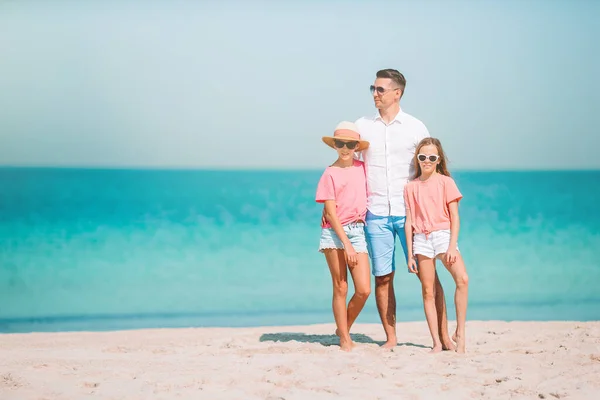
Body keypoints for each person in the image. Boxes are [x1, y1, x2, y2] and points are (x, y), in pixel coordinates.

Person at [353, 69, 454, 350]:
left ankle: (444, 336)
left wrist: (444, 206)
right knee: (383, 277)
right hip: (375, 213)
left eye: (380, 89)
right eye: (372, 88)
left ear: (397, 93)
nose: (375, 93)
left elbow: (432, 166)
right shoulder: (362, 126)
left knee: (428, 277)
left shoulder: (415, 127)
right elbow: (351, 166)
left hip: (413, 215)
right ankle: (391, 338)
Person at [403, 137, 470, 353]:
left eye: (432, 157)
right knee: (427, 291)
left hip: (443, 235)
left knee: (463, 279)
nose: (427, 161)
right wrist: (410, 254)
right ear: (418, 159)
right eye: (423, 157)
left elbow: (455, 217)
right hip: (421, 239)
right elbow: (409, 221)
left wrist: (452, 246)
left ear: (438, 159)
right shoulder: (410, 187)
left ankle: (460, 332)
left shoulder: (446, 183)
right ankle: (436, 342)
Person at [315, 121, 372, 352]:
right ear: (335, 146)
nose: (345, 148)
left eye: (350, 144)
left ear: (356, 146)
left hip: (358, 231)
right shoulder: (329, 173)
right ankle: (345, 339)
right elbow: (330, 211)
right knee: (340, 287)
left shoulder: (363, 168)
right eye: (341, 143)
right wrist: (346, 244)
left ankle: (343, 327)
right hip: (334, 233)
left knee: (364, 289)